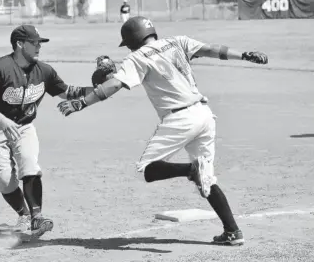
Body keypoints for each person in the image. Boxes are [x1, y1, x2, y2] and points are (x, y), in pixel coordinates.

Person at [57, 16, 268, 246]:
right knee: (207, 179)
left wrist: (81, 103)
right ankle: (232, 231)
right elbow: (212, 50)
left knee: (145, 170)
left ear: (132, 40)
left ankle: (190, 170)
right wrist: (244, 54)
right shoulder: (178, 41)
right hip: (204, 115)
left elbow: (116, 84)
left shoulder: (136, 57)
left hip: (180, 119)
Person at [0, 25, 94, 238]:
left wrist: (100, 88)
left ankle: (37, 218)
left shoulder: (43, 71)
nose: (39, 46)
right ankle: (24, 214)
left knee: (29, 165)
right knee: (4, 181)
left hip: (24, 126)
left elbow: (68, 92)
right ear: (20, 44)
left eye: (40, 43)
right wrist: (2, 120)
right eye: (35, 42)